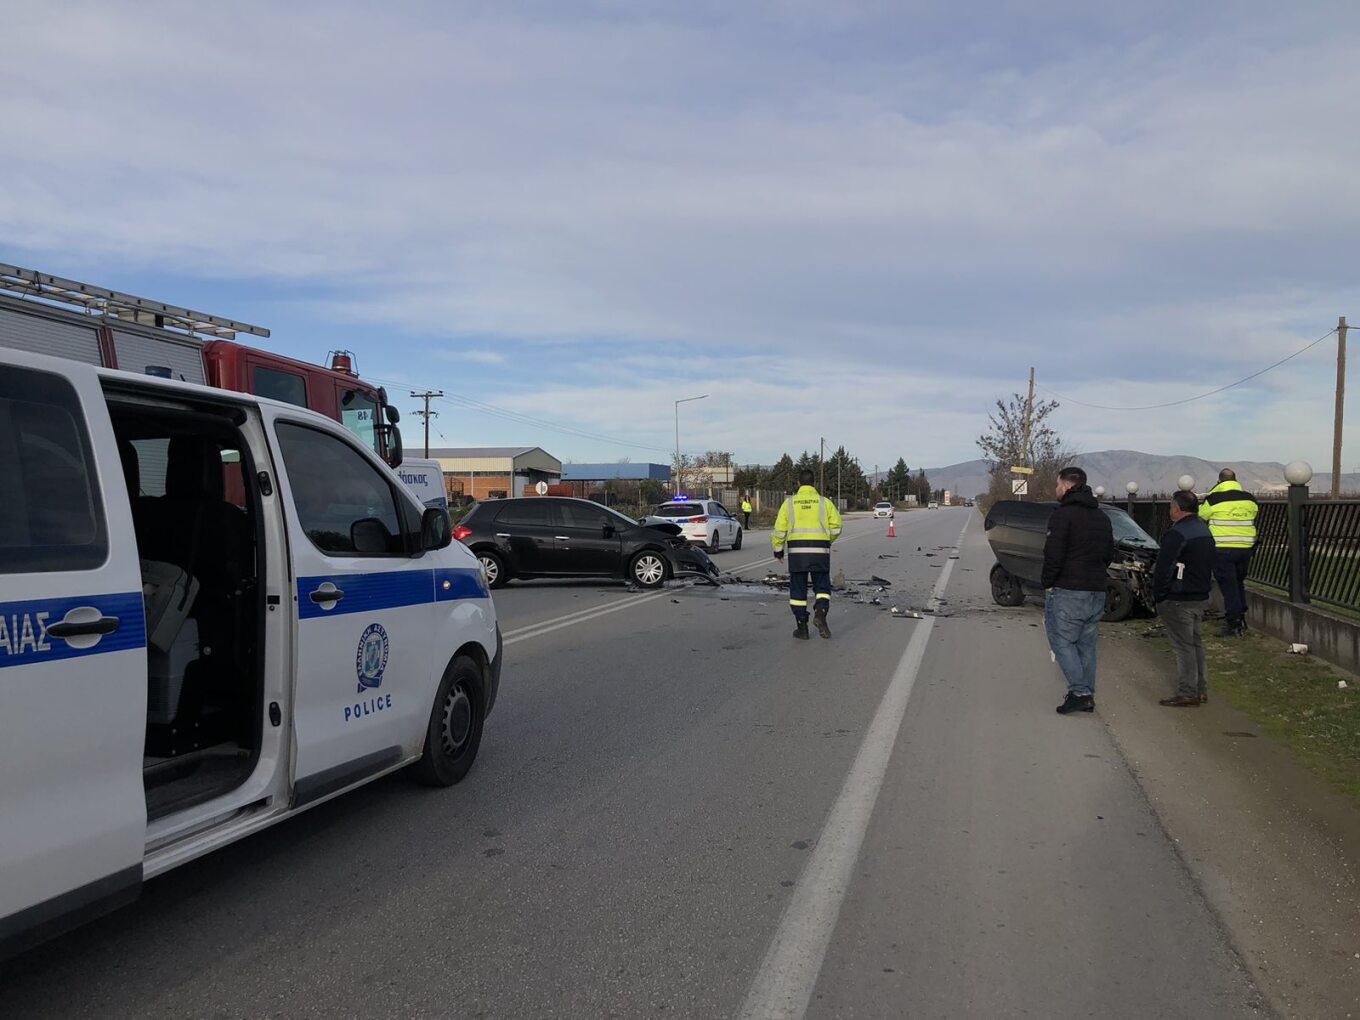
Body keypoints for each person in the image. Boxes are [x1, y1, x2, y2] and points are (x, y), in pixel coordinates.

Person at [1043, 466, 1115, 715]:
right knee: (1086, 644)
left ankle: (1080, 693)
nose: (1056, 489)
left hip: (1069, 589)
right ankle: (1087, 693)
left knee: (1061, 640)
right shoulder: (1102, 517)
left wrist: (1047, 581)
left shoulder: (1062, 516)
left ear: (1065, 486)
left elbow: (1053, 554)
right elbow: (1109, 553)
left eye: (1057, 485)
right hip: (1096, 589)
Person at [1154, 491, 1216, 707]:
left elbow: (1164, 568)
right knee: (1195, 643)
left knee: (1184, 646)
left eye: (1171, 506)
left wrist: (1159, 595)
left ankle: (1188, 691)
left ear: (1177, 508)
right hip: (1199, 595)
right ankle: (1201, 689)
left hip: (1178, 597)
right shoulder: (1204, 531)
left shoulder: (1177, 533)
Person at [772, 469, 843, 640]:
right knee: (822, 587)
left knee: (798, 590)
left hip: (797, 553)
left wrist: (778, 550)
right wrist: (827, 540)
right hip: (820, 552)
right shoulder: (824, 502)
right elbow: (836, 527)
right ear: (814, 483)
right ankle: (820, 613)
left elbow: (779, 529)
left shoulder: (789, 503)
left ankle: (802, 628)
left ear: (798, 483)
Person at [1200, 467, 1259, 637]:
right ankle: (1240, 616)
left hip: (1222, 549)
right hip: (1245, 548)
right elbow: (1254, 513)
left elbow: (1202, 515)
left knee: (1229, 587)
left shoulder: (1213, 499)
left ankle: (1233, 624)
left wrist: (1213, 491)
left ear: (1219, 481)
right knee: (1238, 583)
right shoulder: (1249, 499)